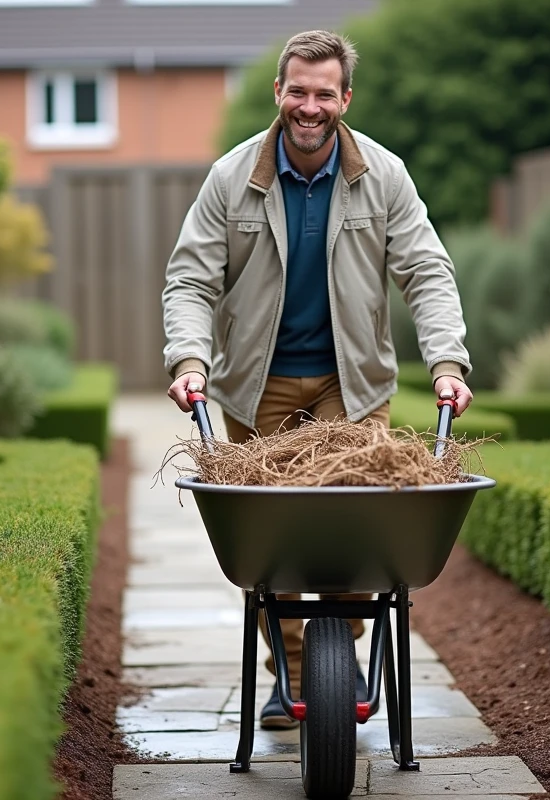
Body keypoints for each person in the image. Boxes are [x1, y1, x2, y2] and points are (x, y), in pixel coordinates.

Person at [161, 29, 473, 730]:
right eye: (297, 91)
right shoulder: (231, 178)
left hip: (351, 384)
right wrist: (189, 361)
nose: (309, 106)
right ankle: (296, 676)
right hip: (257, 386)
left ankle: (339, 656)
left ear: (345, 99)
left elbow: (426, 271)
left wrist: (448, 363)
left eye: (323, 94)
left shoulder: (383, 176)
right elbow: (190, 280)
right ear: (278, 92)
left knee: (353, 530)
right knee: (269, 544)